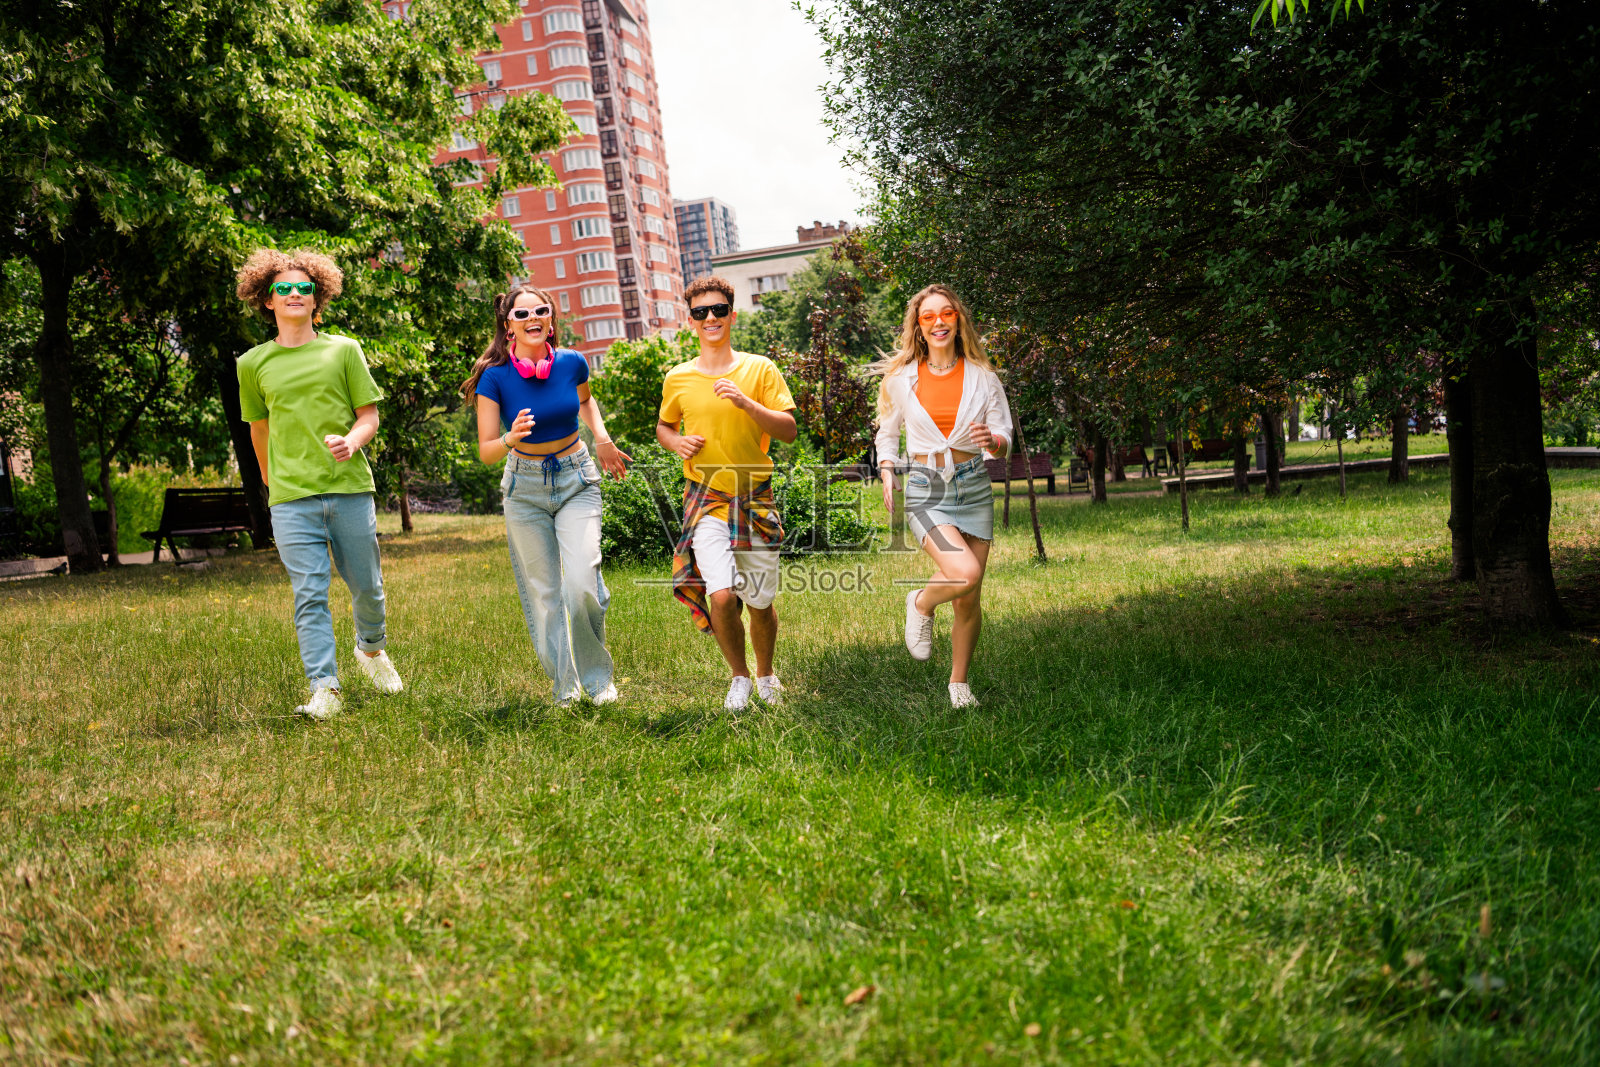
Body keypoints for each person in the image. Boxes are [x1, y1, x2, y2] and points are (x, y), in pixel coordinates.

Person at [235, 249, 403, 720]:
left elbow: (368, 415)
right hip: (292, 499)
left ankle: (370, 650)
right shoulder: (252, 364)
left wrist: (351, 441)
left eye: (303, 288)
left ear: (317, 299)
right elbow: (259, 430)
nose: (293, 294)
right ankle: (325, 688)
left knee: (367, 586)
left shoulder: (343, 350)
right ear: (267, 300)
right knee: (309, 593)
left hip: (348, 489)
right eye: (283, 288)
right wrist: (273, 487)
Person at [463, 283, 631, 706]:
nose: (533, 318)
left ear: (551, 321)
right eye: (522, 314)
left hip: (577, 478)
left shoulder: (573, 363)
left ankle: (597, 681)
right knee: (544, 594)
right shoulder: (494, 378)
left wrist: (603, 438)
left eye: (541, 311)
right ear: (508, 327)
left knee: (580, 583)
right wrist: (509, 438)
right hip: (524, 488)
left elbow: (586, 403)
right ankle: (566, 686)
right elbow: (485, 451)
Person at [657, 276, 798, 712]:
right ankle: (739, 678)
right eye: (701, 312)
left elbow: (789, 431)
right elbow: (664, 426)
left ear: (732, 316)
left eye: (718, 310)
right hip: (707, 500)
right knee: (721, 594)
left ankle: (766, 675)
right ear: (691, 320)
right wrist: (675, 442)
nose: (711, 318)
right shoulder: (678, 377)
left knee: (759, 601)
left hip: (755, 498)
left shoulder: (760, 370)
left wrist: (748, 405)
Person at [873, 284, 1013, 708]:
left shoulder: (983, 376)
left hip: (973, 485)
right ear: (918, 326)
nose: (938, 322)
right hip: (926, 486)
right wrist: (886, 468)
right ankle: (919, 601)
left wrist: (994, 441)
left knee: (969, 597)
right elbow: (888, 431)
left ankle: (958, 684)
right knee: (963, 573)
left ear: (958, 320)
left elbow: (1003, 435)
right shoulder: (901, 378)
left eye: (946, 314)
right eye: (929, 316)